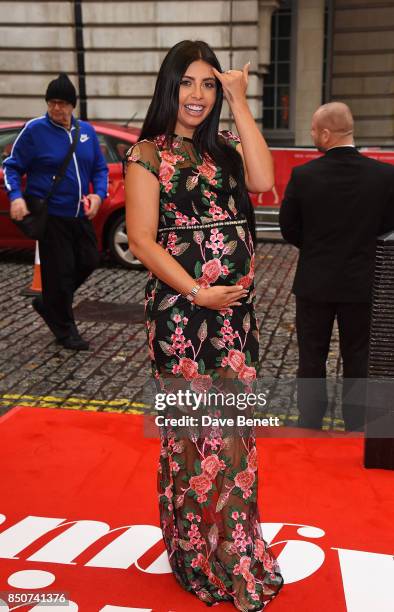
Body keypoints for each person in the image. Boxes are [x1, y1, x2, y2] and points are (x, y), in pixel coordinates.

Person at [125, 40, 283, 610]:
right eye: (188, 83)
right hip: (181, 318)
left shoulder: (224, 152)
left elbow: (265, 178)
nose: (197, 95)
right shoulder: (146, 154)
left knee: (236, 440)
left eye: (208, 84)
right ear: (170, 87)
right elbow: (141, 239)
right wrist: (197, 292)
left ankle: (237, 548)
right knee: (195, 441)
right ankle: (195, 551)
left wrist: (240, 99)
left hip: (234, 319)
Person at [279, 102, 394, 431]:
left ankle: (310, 423)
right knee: (360, 357)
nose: (312, 135)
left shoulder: (304, 175)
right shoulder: (384, 176)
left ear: (326, 133)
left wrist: (315, 248)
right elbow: (389, 229)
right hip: (363, 282)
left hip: (315, 281)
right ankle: (357, 426)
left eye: (314, 130)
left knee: (311, 358)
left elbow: (289, 227)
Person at [3, 73, 108, 350]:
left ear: (73, 105)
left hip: (79, 214)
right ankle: (66, 331)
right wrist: (15, 196)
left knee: (89, 260)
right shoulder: (35, 130)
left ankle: (49, 302)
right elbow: (12, 166)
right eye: (52, 102)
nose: (56, 108)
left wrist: (98, 194)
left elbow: (100, 168)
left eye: (62, 103)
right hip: (51, 217)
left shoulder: (85, 132)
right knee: (59, 274)